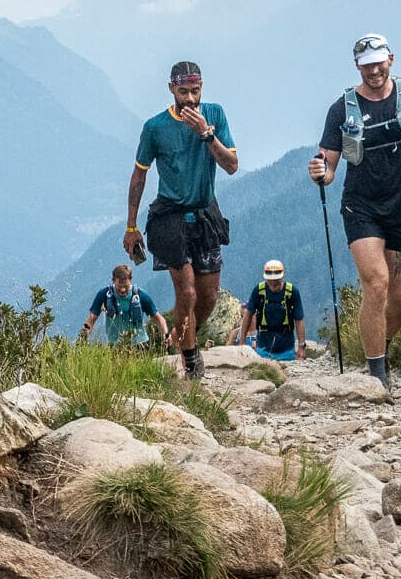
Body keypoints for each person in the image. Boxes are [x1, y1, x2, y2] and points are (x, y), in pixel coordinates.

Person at [307, 34, 401, 390]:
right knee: (377, 282)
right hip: (360, 209)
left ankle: (381, 349)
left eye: (379, 62)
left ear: (391, 58)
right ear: (357, 66)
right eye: (367, 64)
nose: (374, 70)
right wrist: (321, 173)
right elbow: (329, 164)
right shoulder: (342, 109)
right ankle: (377, 378)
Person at [123, 61, 238, 381]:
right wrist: (131, 227)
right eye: (183, 91)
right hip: (169, 216)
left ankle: (187, 332)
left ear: (203, 89)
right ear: (171, 89)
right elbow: (138, 176)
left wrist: (206, 134)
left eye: (195, 91)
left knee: (209, 296)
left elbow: (231, 165)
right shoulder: (155, 127)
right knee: (186, 292)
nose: (190, 99)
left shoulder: (214, 115)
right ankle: (190, 363)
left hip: (205, 213)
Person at [78, 264, 169, 346]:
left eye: (126, 286)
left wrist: (166, 334)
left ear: (131, 280)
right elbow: (92, 318)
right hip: (115, 345)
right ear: (113, 281)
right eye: (118, 286)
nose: (122, 290)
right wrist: (84, 334)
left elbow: (157, 317)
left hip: (140, 345)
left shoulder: (141, 295)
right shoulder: (104, 294)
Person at [234, 259, 305, 361]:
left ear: (282, 276)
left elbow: (299, 319)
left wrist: (301, 347)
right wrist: (242, 340)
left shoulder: (292, 292)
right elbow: (248, 314)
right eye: (270, 280)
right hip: (262, 348)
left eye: (276, 281)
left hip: (286, 349)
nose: (273, 283)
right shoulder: (258, 291)